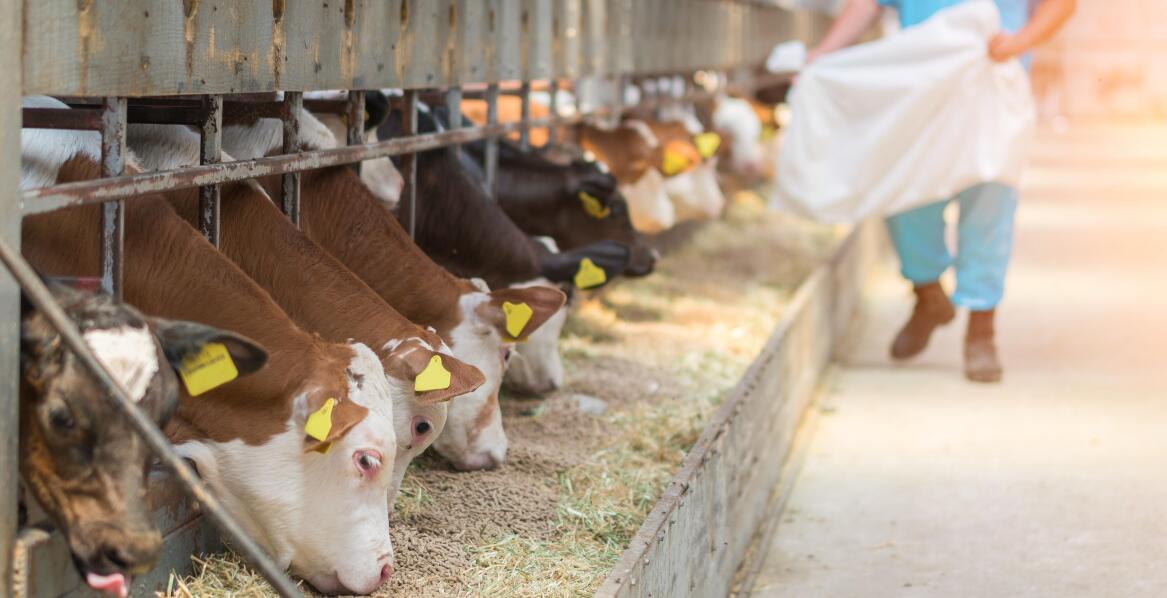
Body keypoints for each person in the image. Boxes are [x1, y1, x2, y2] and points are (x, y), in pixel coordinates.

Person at [807, 0, 1076, 383]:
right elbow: (865, 4)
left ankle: (982, 331)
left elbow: (1062, 5)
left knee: (990, 199)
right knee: (904, 194)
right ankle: (928, 293)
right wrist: (824, 52)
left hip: (993, 86)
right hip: (920, 89)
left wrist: (1019, 42)